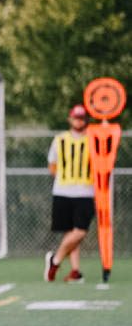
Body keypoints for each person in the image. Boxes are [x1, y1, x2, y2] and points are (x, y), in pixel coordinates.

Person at [44, 105, 94, 283]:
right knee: (69, 233)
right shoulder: (60, 139)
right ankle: (75, 271)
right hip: (63, 191)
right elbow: (52, 165)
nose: (79, 121)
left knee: (80, 231)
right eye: (76, 118)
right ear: (70, 119)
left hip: (86, 191)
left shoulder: (93, 139)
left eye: (82, 118)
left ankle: (55, 260)